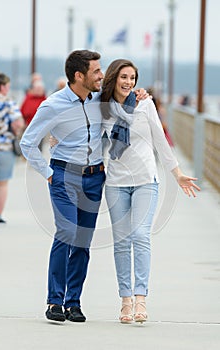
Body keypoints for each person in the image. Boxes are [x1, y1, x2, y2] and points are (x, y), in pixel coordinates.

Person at [20, 50, 149, 323]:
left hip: (94, 178)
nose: (102, 76)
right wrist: (48, 172)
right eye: (96, 71)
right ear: (79, 76)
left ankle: (73, 302)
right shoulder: (52, 105)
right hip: (64, 175)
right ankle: (54, 301)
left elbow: (120, 114)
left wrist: (139, 96)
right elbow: (27, 143)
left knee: (82, 243)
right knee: (66, 232)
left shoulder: (99, 100)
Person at [100, 59, 200, 324]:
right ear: (113, 79)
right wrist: (56, 138)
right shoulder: (102, 108)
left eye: (132, 78)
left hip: (146, 180)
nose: (129, 83)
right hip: (115, 183)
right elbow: (84, 134)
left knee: (141, 235)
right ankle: (125, 300)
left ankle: (141, 297)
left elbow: (160, 138)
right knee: (121, 242)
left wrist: (176, 173)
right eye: (123, 77)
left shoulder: (144, 104)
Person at [0, 73, 24, 224]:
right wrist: (15, 132)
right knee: (1, 184)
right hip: (4, 148)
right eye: (7, 86)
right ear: (2, 86)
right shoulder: (9, 102)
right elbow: (17, 123)